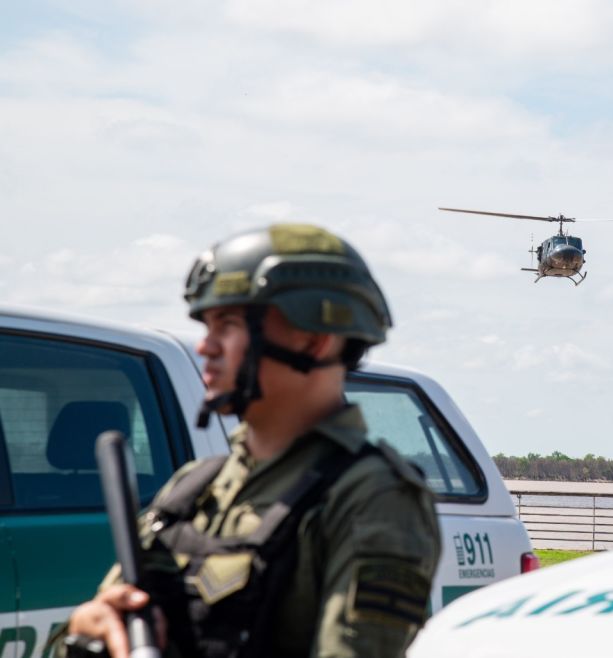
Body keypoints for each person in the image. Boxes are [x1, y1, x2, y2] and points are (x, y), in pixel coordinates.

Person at [59, 223, 441, 658]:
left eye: (228, 325)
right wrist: (86, 629)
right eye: (207, 326)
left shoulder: (373, 498)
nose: (206, 347)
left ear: (313, 340)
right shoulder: (193, 489)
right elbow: (108, 612)